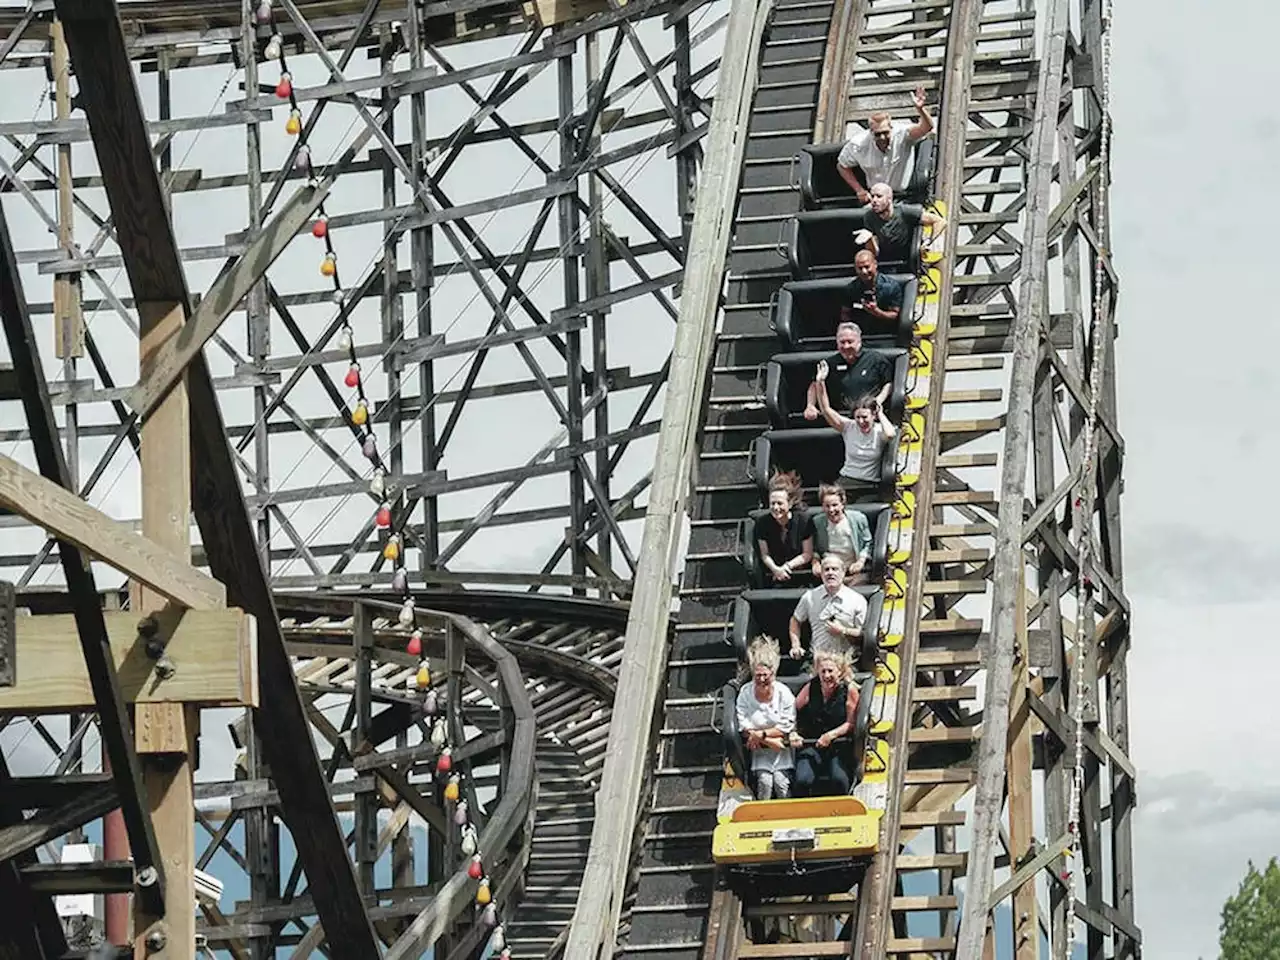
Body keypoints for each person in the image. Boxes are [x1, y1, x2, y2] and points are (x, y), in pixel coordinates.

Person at [836, 86, 934, 203]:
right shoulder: (858, 144)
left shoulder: (902, 134)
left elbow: (926, 128)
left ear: (891, 128)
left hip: (904, 196)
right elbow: (842, 166)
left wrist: (920, 109)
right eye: (877, 134)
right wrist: (859, 190)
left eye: (885, 133)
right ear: (871, 132)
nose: (882, 138)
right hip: (876, 199)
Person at [815, 363, 898, 501]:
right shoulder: (849, 427)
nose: (861, 421)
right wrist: (820, 382)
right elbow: (826, 409)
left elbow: (890, 434)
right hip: (847, 480)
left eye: (864, 417)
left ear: (873, 416)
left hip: (869, 484)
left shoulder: (879, 429)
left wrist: (880, 414)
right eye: (857, 417)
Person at [791, 650, 860, 797]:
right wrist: (794, 731)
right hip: (813, 742)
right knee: (802, 779)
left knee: (839, 779)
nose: (826, 675)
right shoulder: (811, 687)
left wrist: (831, 735)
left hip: (838, 744)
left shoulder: (849, 690)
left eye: (830, 671)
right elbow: (794, 710)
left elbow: (851, 723)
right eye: (823, 671)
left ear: (840, 671)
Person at [735, 636, 796, 800]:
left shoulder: (784, 693)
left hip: (782, 749)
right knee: (765, 783)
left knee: (781, 784)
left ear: (773, 674)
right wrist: (769, 741)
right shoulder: (746, 693)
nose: (762, 679)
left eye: (765, 676)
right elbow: (744, 725)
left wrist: (760, 735)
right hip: (760, 750)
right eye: (758, 675)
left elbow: (785, 727)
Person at [802, 322, 893, 422]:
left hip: (870, 417)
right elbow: (815, 384)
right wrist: (810, 405)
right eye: (842, 342)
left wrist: (878, 400)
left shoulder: (875, 359)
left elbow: (888, 383)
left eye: (850, 342)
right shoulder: (828, 363)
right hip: (840, 420)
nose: (846, 346)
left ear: (859, 341)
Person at [788, 554, 868, 661]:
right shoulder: (810, 597)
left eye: (835, 569)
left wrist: (843, 631)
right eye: (826, 570)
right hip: (818, 659)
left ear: (843, 572)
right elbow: (795, 620)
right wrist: (795, 645)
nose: (830, 573)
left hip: (846, 659)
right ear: (821, 574)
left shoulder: (857, 600)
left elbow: (863, 633)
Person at [852, 182, 947, 265]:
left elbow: (939, 221)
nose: (874, 200)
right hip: (886, 261)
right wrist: (869, 239)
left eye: (879, 196)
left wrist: (928, 242)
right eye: (872, 196)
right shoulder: (869, 217)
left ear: (889, 198)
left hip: (909, 258)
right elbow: (874, 252)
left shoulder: (904, 211)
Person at [754, 471, 814, 585]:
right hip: (774, 574)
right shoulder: (762, 523)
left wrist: (787, 566)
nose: (776, 507)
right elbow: (765, 554)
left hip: (801, 573)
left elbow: (807, 554)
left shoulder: (804, 520)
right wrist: (776, 569)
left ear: (790, 503)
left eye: (780, 503)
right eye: (773, 503)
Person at [810, 484, 872, 584]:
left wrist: (860, 561)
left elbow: (868, 543)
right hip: (829, 570)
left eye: (834, 505)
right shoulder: (817, 522)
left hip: (853, 570)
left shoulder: (858, 519)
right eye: (827, 506)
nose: (831, 510)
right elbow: (815, 549)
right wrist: (815, 563)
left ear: (842, 504)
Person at [842, 250, 904, 328]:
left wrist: (877, 312)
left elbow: (895, 315)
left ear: (875, 264)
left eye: (867, 267)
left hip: (885, 330)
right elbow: (845, 314)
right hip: (860, 331)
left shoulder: (891, 286)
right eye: (860, 268)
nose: (864, 271)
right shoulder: (851, 288)